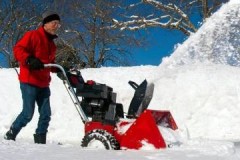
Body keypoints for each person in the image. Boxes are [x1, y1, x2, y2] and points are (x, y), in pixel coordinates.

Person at [4, 11, 61, 144]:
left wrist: (57, 68)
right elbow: (18, 49)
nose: (57, 26)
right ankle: (11, 134)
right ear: (46, 24)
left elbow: (49, 63)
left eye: (58, 24)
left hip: (43, 83)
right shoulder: (33, 35)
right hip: (29, 81)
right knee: (28, 114)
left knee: (46, 114)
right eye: (54, 23)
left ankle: (40, 141)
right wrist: (29, 59)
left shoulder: (52, 45)